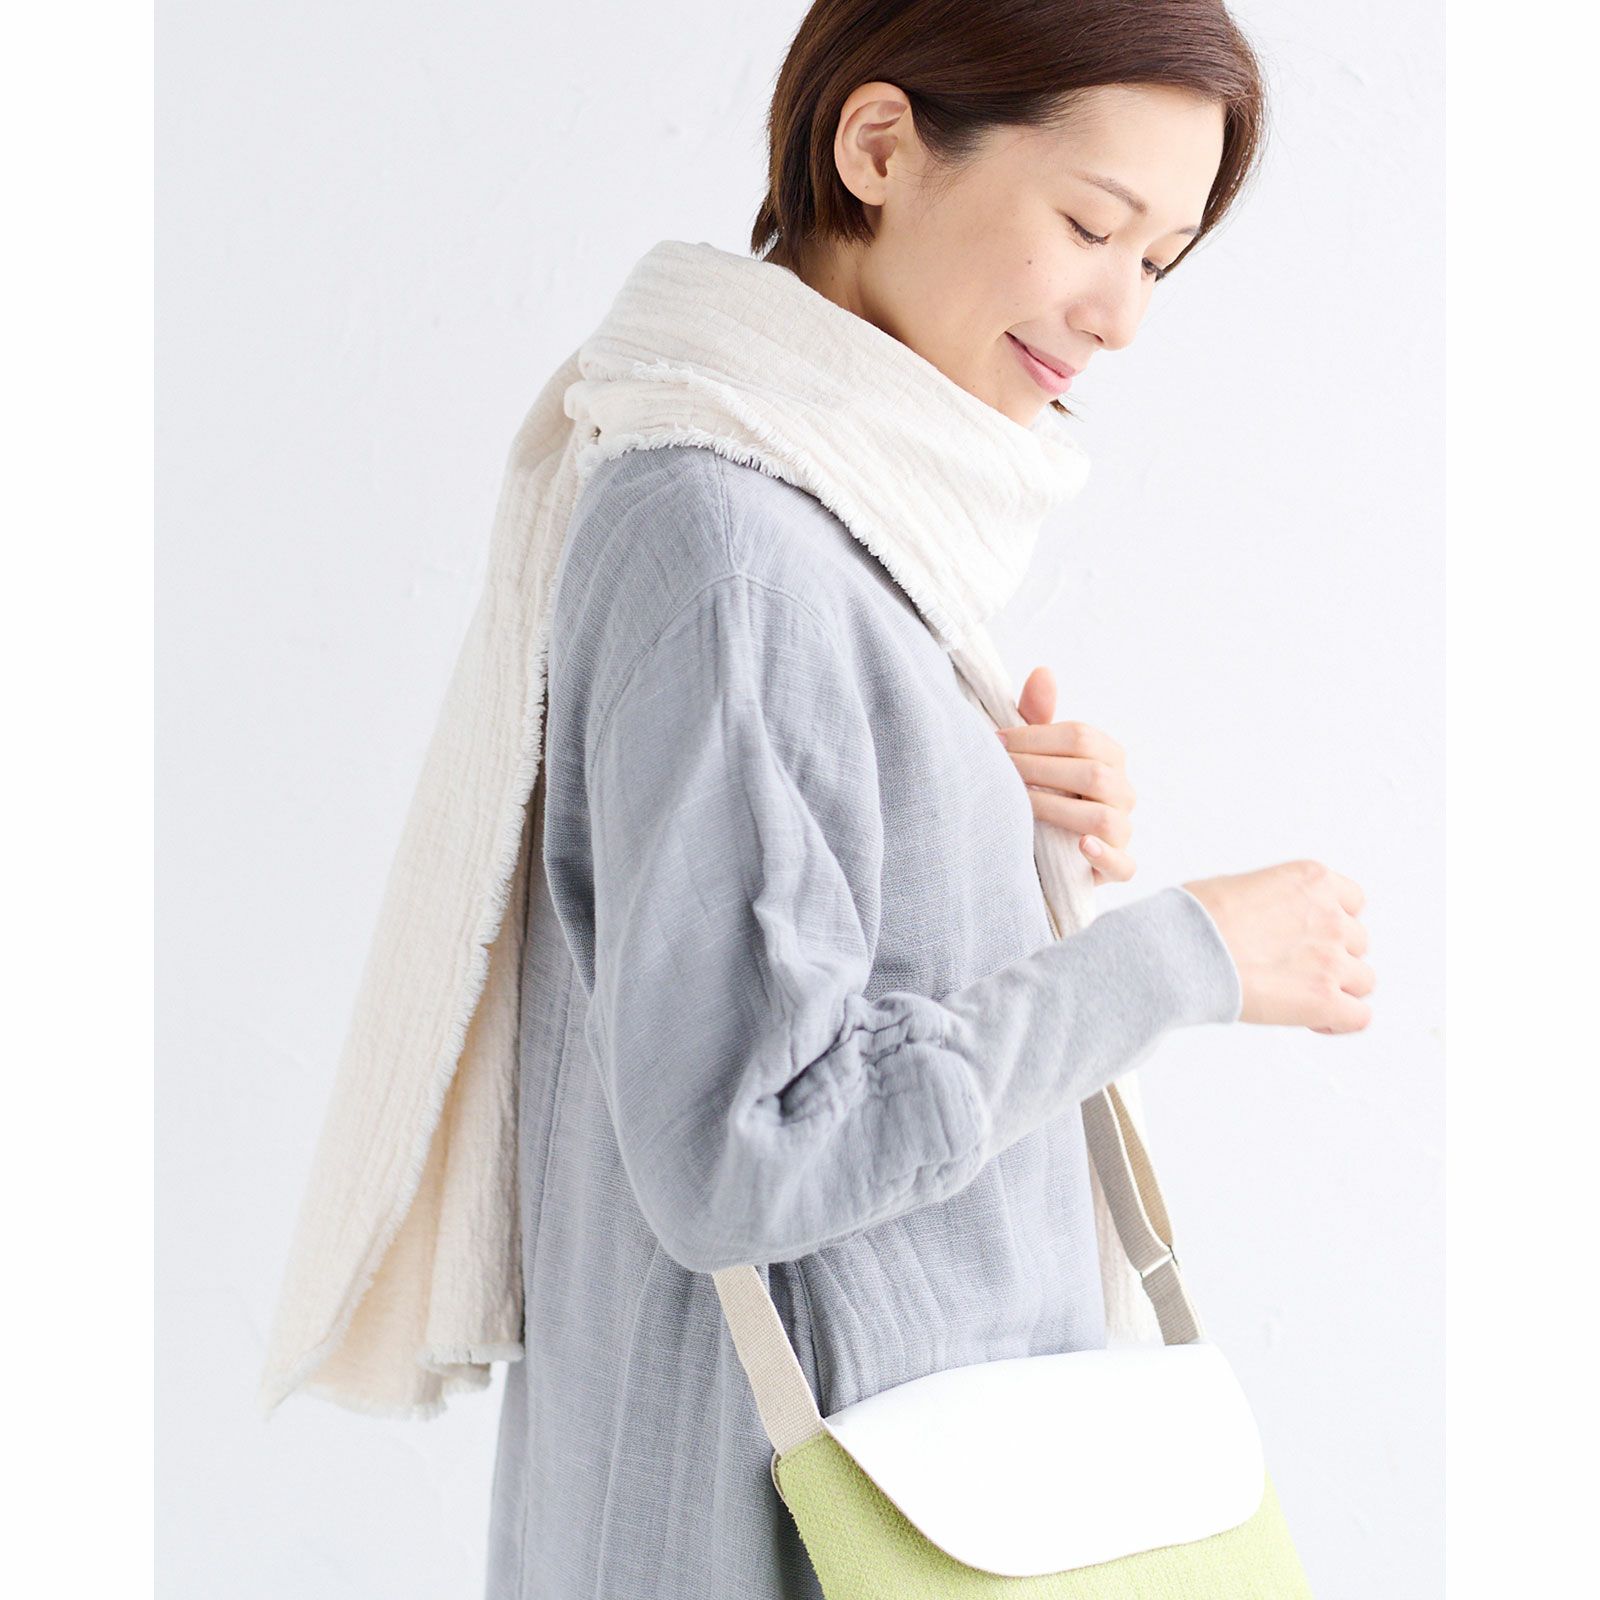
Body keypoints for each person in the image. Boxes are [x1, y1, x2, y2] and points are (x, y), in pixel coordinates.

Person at [484, 5, 1372, 1597]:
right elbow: (745, 1156)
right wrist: (1179, 957)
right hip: (783, 1533)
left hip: (936, 1504)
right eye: (1091, 225)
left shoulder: (847, 539)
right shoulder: (728, 543)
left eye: (1161, 260)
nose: (1121, 315)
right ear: (880, 146)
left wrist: (983, 821)